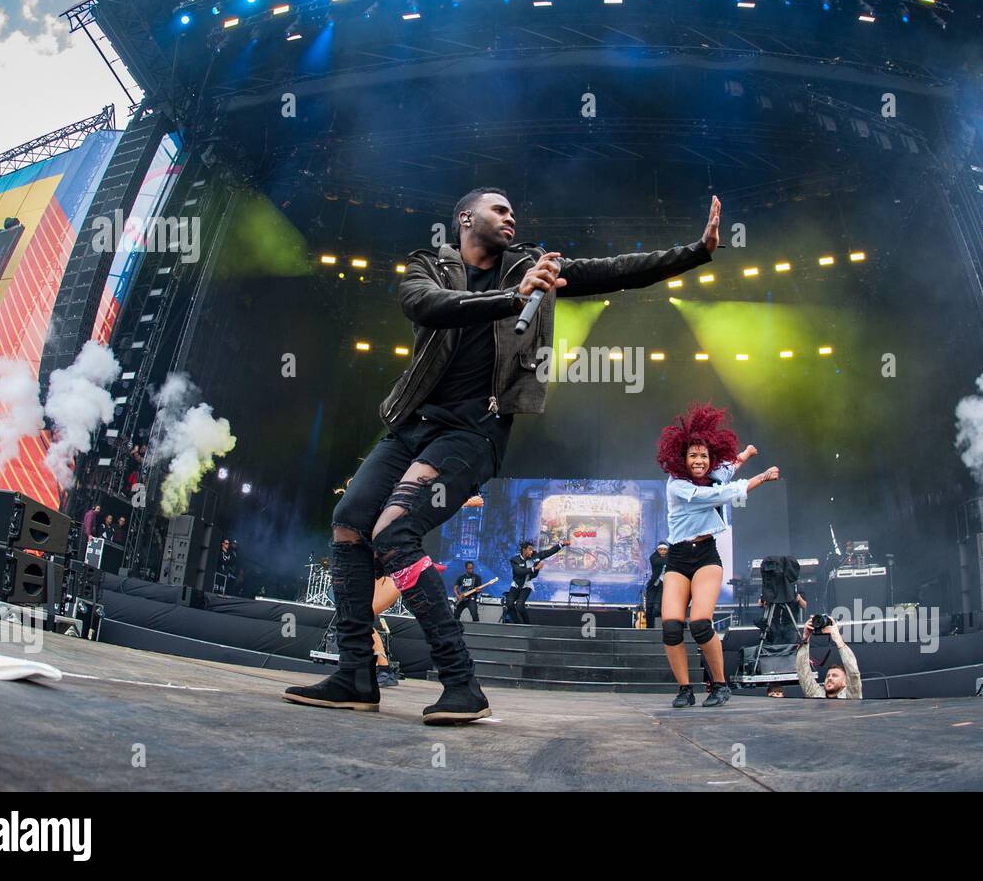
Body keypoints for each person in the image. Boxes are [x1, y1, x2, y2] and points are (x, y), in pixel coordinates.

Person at [283, 187, 721, 724]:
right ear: (465, 217)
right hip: (410, 426)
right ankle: (355, 673)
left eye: (515, 210)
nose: (512, 217)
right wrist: (512, 299)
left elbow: (617, 271)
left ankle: (461, 683)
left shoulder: (533, 266)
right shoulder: (430, 266)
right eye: (500, 209)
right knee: (349, 522)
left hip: (472, 433)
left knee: (393, 531)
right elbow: (424, 306)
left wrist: (695, 251)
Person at [656, 403, 779, 708]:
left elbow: (727, 470)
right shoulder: (679, 486)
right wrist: (760, 479)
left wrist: (747, 454)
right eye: (693, 455)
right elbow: (718, 494)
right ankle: (685, 689)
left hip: (705, 557)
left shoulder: (713, 474)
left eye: (703, 456)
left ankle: (720, 685)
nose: (698, 460)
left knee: (699, 623)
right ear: (682, 459)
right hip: (678, 557)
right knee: (671, 626)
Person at [796, 615, 862, 699]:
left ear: (845, 682)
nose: (830, 678)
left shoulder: (851, 697)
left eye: (835, 676)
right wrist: (805, 639)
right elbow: (802, 671)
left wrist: (838, 639)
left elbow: (853, 672)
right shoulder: (816, 695)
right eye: (828, 676)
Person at [506, 540, 567, 624]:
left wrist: (561, 544)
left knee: (520, 605)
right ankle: (516, 623)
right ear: (524, 550)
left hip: (527, 585)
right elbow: (519, 571)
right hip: (516, 585)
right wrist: (534, 569)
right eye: (529, 549)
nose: (532, 551)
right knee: (509, 603)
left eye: (532, 549)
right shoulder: (515, 560)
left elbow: (548, 552)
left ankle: (527, 624)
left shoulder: (535, 556)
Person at [644, 541, 668, 629]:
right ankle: (649, 627)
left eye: (665, 550)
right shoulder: (654, 557)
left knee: (657, 607)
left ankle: (661, 627)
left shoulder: (671, 558)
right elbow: (658, 562)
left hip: (665, 586)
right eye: (660, 549)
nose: (662, 551)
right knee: (649, 606)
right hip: (654, 585)